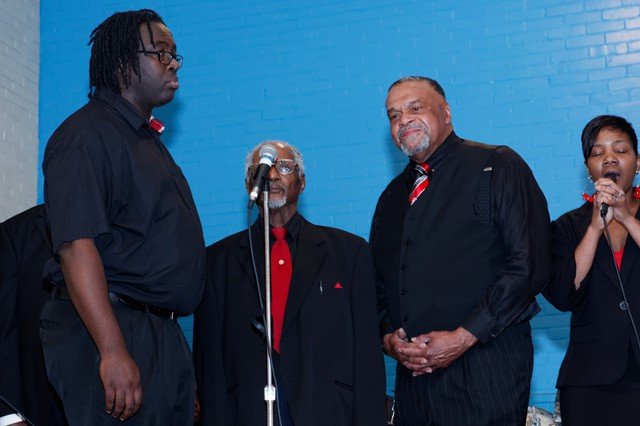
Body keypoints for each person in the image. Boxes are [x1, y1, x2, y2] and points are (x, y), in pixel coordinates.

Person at [40, 9, 205, 425]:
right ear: (122, 64)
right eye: (161, 53)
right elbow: (76, 247)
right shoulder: (85, 136)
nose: (173, 64)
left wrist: (174, 362)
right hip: (112, 331)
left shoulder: (147, 142)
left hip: (158, 334)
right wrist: (112, 350)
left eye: (175, 54)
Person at [370, 76, 550, 425]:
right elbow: (377, 283)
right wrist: (390, 339)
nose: (404, 120)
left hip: (486, 373)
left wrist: (464, 336)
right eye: (394, 115)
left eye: (415, 108)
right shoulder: (390, 199)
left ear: (446, 112)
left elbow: (529, 263)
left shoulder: (496, 165)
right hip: (415, 388)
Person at [193, 140, 386, 426]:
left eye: (284, 167)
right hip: (248, 410)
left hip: (329, 409)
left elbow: (368, 356)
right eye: (262, 169)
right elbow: (209, 363)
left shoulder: (350, 253)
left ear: (302, 182)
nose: (272, 175)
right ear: (249, 185)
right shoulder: (216, 262)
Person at [544, 115, 640, 425]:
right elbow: (562, 294)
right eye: (598, 153)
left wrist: (627, 218)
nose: (609, 158)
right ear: (588, 169)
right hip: (590, 381)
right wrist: (595, 229)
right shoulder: (568, 227)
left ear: (638, 162)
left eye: (620, 150)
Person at [0, 205, 67, 426]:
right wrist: (9, 416)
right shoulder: (17, 234)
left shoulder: (135, 231)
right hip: (40, 410)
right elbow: (4, 332)